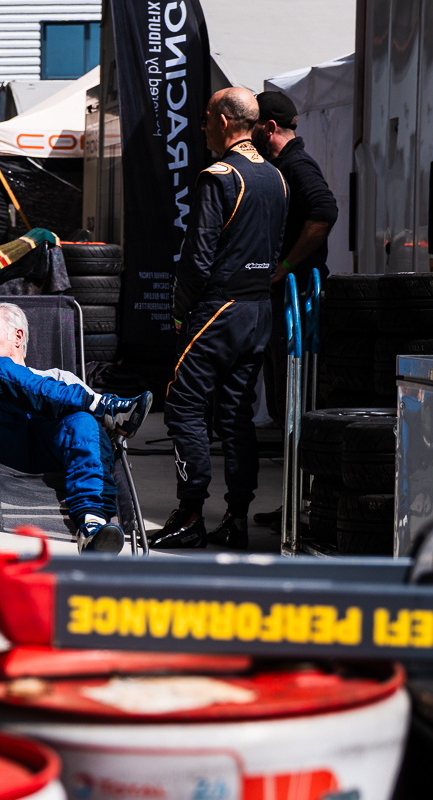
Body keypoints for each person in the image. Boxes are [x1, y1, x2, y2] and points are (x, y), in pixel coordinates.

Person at [156, 88, 289, 550]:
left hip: (219, 310)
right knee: (235, 415)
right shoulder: (276, 177)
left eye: (206, 118)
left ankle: (190, 513)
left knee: (183, 404)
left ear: (226, 120)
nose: (203, 127)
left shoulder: (220, 176)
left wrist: (179, 312)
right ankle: (237, 518)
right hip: (258, 311)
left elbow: (197, 259)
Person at [0, 303, 152, 552]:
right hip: (0, 458)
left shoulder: (59, 378)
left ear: (18, 336)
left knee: (84, 421)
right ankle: (104, 406)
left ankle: (92, 525)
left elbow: (95, 436)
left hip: (55, 460)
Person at [252, 91, 339, 531]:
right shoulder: (281, 166)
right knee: (285, 405)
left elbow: (324, 211)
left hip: (298, 300)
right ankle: (294, 504)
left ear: (269, 127)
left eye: (253, 124)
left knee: (297, 404)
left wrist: (284, 267)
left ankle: (307, 509)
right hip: (285, 299)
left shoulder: (297, 165)